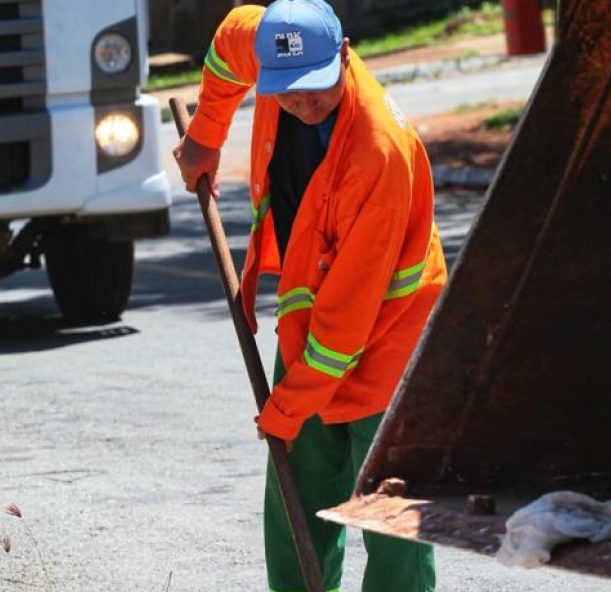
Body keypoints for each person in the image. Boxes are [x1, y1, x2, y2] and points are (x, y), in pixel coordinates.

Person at [173, 1, 446, 590]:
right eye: (287, 91)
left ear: (343, 53)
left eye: (315, 90)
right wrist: (205, 137)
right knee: (297, 491)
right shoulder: (269, 41)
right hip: (316, 306)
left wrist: (286, 408)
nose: (301, 102)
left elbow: (345, 329)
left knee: (389, 510)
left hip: (390, 328)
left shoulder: (379, 155)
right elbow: (226, 48)